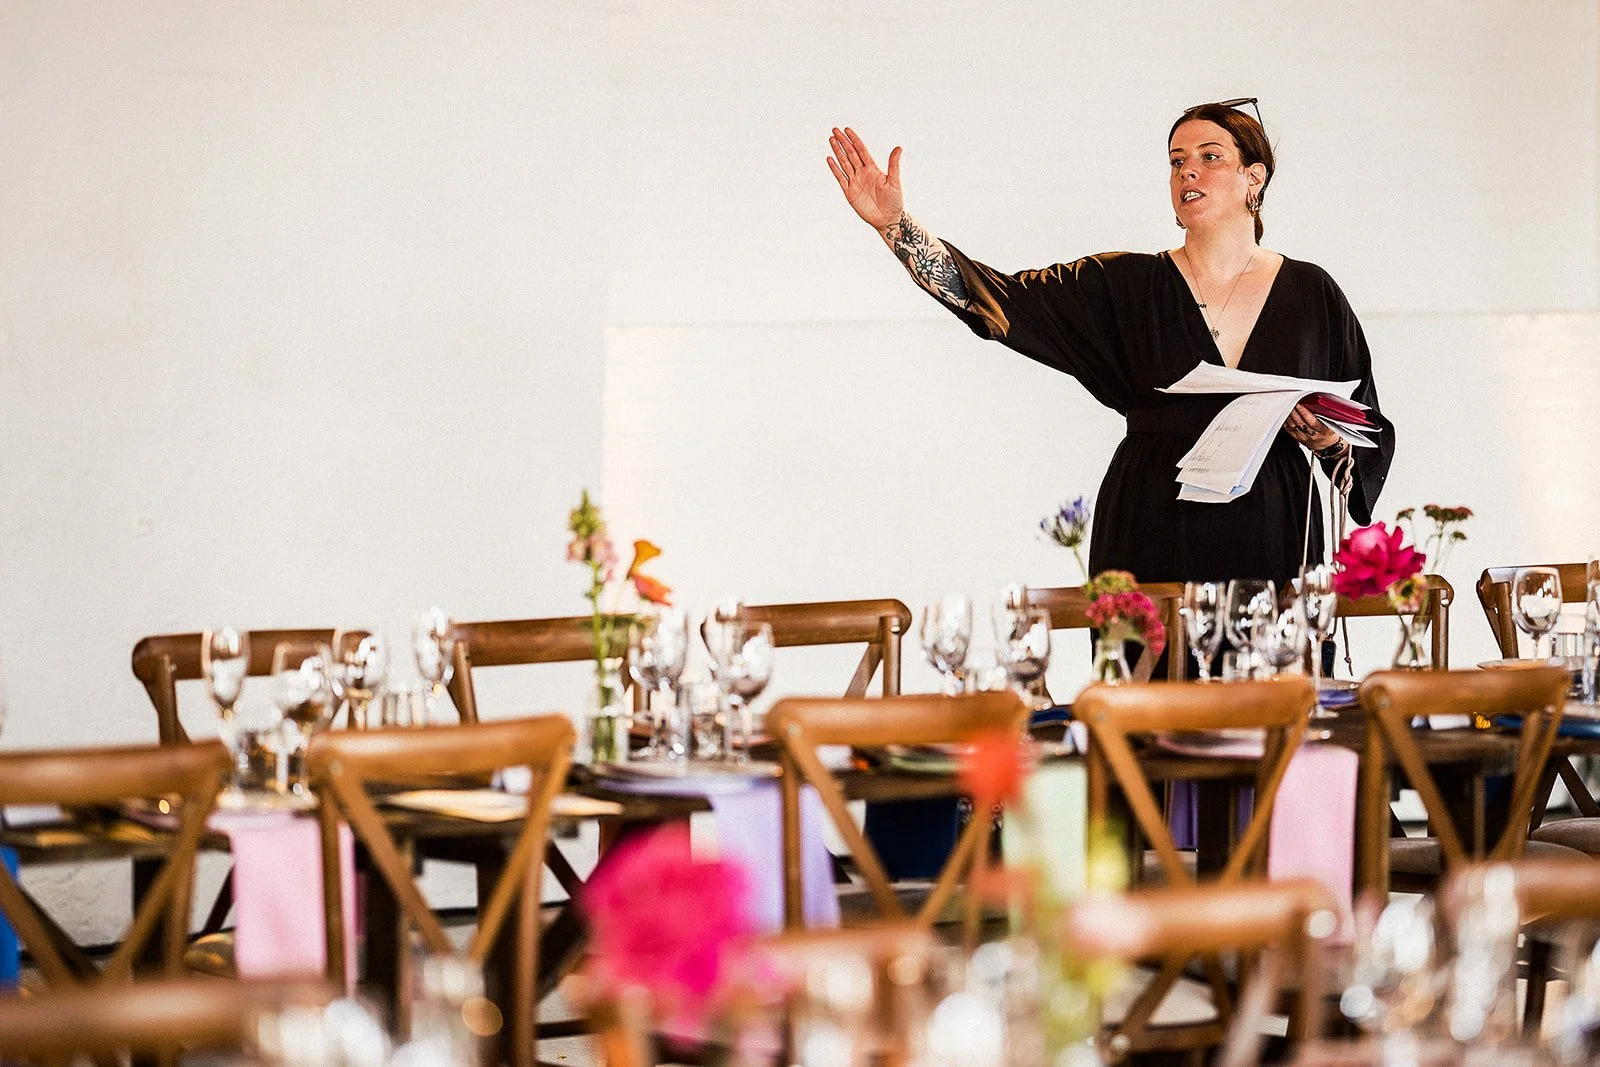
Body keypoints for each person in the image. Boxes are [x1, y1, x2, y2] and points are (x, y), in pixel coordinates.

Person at [826, 104, 1393, 590]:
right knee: (1147, 709)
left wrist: (1328, 437)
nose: (1188, 170)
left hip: (1275, 526)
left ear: (1255, 177)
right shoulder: (1124, 284)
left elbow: (1363, 425)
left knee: (1271, 703)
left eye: (1209, 156)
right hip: (1152, 522)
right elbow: (997, 300)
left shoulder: (1310, 292)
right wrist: (894, 225)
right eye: (1176, 161)